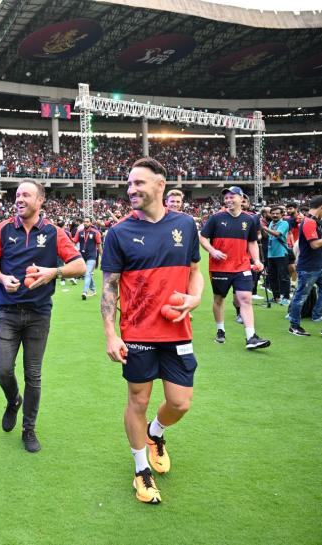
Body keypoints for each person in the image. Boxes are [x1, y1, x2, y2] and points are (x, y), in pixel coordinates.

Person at [100, 157, 204, 505]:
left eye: (139, 183)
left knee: (180, 402)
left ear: (160, 185)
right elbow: (109, 288)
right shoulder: (118, 233)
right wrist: (111, 334)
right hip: (139, 333)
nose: (131, 190)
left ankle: (155, 433)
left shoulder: (186, 225)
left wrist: (195, 297)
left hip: (177, 331)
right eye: (129, 184)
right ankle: (141, 469)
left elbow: (194, 271)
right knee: (138, 400)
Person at [0, 180, 85, 452]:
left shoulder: (54, 233)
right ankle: (13, 400)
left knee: (34, 375)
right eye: (17, 194)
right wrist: (3, 278)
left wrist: (54, 272)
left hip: (39, 314)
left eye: (26, 194)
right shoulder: (1, 230)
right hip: (7, 312)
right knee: (3, 370)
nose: (19, 199)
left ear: (40, 200)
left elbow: (80, 265)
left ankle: (29, 429)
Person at [199, 186, 270, 349]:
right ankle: (220, 330)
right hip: (220, 268)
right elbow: (202, 237)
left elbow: (251, 241)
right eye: (226, 198)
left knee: (245, 299)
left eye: (232, 197)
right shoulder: (216, 218)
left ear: (242, 199)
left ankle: (251, 337)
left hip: (242, 266)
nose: (229, 200)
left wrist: (257, 260)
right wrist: (212, 250)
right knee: (219, 299)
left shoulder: (250, 219)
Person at [287, 195, 322, 336]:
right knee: (301, 296)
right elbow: (314, 244)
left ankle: (316, 315)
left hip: (317, 265)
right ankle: (294, 325)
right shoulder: (308, 222)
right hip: (309, 267)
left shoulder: (316, 221)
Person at [261, 207, 291, 305]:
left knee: (283, 276)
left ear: (282, 214)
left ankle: (285, 297)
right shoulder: (271, 224)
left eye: (277, 213)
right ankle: (276, 297)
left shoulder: (284, 223)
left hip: (281, 253)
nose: (274, 215)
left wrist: (264, 228)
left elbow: (277, 234)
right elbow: (268, 236)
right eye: (273, 213)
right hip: (271, 254)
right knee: (272, 277)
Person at [73, 216, 101, 300]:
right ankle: (93, 289)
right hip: (82, 256)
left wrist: (103, 257)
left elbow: (99, 246)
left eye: (87, 221)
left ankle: (85, 291)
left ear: (91, 223)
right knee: (87, 273)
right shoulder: (79, 232)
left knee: (87, 273)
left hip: (92, 256)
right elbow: (74, 242)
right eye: (84, 221)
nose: (85, 223)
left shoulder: (96, 232)